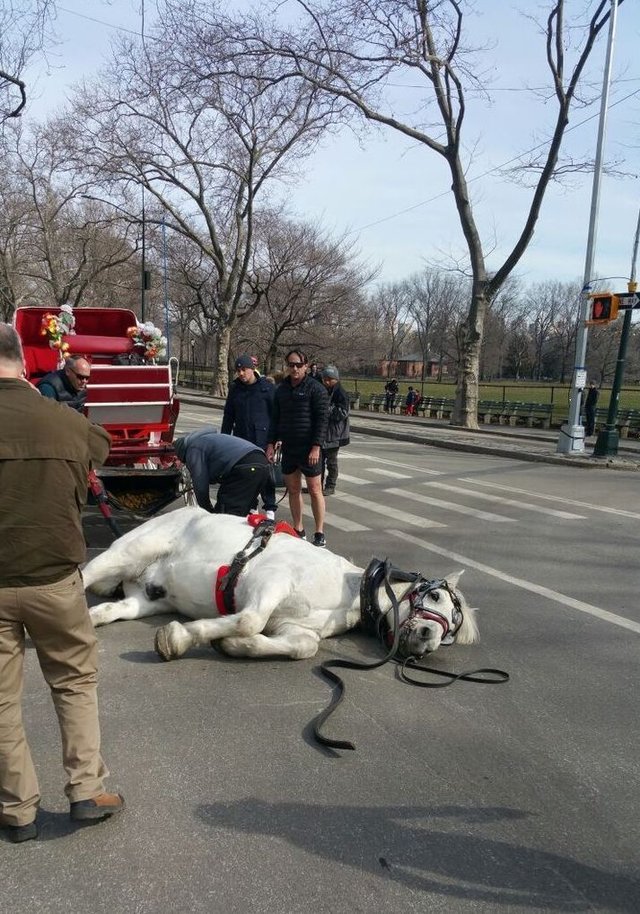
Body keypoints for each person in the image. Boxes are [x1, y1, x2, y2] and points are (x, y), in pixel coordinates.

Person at [0, 324, 123, 844]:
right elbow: (103, 449)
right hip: (55, 578)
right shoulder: (64, 421)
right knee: (73, 682)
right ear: (24, 361)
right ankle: (86, 791)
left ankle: (16, 808)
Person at [266, 350, 329, 547]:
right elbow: (275, 419)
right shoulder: (281, 390)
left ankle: (319, 532)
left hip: (309, 448)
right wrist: (271, 442)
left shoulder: (316, 389)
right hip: (289, 447)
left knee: (315, 489)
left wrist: (316, 447)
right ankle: (298, 528)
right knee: (293, 490)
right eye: (291, 364)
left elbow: (322, 420)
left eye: (298, 365)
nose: (294, 368)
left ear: (306, 366)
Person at [222, 354, 278, 519]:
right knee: (247, 473)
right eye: (238, 370)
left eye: (243, 370)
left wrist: (273, 442)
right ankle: (251, 505)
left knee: (265, 473)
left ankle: (270, 507)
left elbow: (276, 416)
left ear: (252, 369)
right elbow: (228, 415)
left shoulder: (266, 388)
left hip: (262, 438)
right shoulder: (235, 388)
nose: (240, 373)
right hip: (242, 438)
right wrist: (225, 439)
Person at [174, 427, 271, 516]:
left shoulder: (193, 449)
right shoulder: (208, 440)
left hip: (245, 467)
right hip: (261, 463)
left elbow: (200, 486)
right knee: (241, 514)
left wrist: (208, 511)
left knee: (225, 515)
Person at [320, 365, 350, 495]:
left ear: (336, 379)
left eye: (330, 379)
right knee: (318, 462)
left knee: (331, 462)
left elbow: (343, 413)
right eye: (325, 379)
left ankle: (330, 485)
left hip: (334, 434)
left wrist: (327, 408)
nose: (327, 382)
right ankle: (317, 484)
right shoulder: (322, 390)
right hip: (322, 432)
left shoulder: (340, 393)